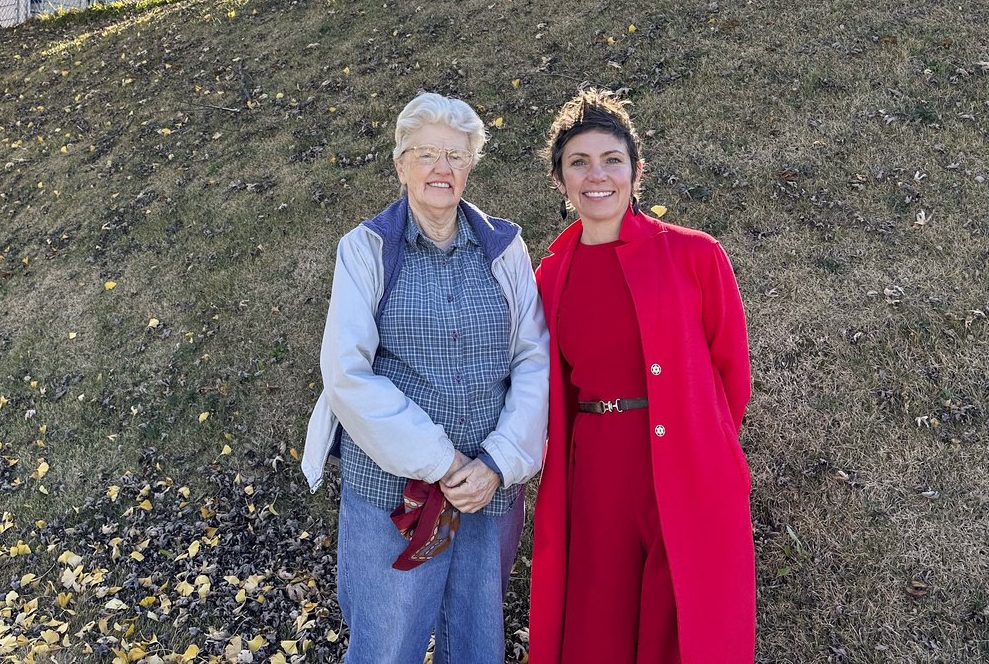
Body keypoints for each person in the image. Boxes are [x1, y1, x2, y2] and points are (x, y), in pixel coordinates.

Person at [301, 91, 549, 664]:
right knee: (386, 647)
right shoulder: (365, 249)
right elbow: (346, 374)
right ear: (400, 165)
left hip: (488, 491)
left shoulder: (504, 249)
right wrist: (443, 462)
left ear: (471, 167)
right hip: (393, 495)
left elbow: (532, 359)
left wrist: (497, 463)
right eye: (427, 154)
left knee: (477, 644)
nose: (443, 168)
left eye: (457, 157)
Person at [528, 90, 754, 664]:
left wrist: (705, 444)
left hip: (690, 465)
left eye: (611, 159)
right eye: (579, 162)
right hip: (598, 471)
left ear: (636, 170)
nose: (596, 175)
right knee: (601, 620)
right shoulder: (548, 277)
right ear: (560, 180)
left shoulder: (695, 256)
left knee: (683, 623)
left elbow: (731, 372)